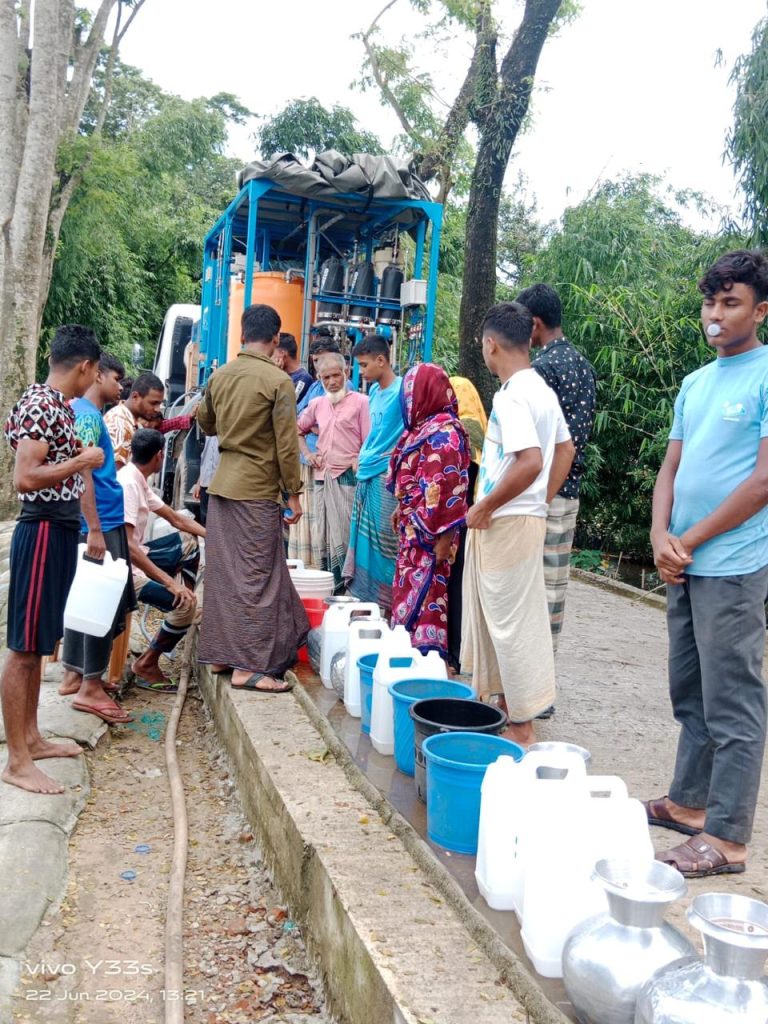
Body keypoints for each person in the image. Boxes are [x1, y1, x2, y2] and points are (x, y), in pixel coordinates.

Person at [647, 249, 768, 878]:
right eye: (710, 302)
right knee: (689, 692)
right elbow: (672, 466)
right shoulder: (696, 383)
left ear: (761, 310)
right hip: (684, 561)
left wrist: (687, 539)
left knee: (734, 701)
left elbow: (761, 482)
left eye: (732, 303)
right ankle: (689, 804)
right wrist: (659, 532)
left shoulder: (766, 373)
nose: (716, 315)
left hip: (732, 565)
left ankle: (726, 839)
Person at [460, 303, 574, 747]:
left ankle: (522, 726)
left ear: (491, 345)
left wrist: (488, 505)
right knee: (506, 618)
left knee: (510, 623)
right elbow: (562, 452)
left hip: (506, 521)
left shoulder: (510, 396)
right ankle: (506, 711)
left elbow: (530, 461)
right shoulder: (541, 389)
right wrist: (539, 501)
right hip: (522, 515)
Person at [1, 325, 104, 794]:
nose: (95, 379)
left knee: (40, 644)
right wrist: (81, 462)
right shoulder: (42, 405)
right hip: (41, 528)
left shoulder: (56, 407)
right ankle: (17, 761)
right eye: (95, 371)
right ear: (84, 367)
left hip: (58, 530)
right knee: (24, 650)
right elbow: (26, 477)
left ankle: (32, 739)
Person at [197, 303, 309, 692]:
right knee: (258, 579)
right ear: (275, 338)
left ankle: (221, 657)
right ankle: (248, 667)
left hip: (222, 487)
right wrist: (293, 494)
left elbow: (205, 422)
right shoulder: (277, 381)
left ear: (243, 333)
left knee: (226, 575)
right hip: (257, 490)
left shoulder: (221, 375)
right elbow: (286, 446)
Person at [517, 283, 597, 654]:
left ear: (534, 324)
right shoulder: (583, 364)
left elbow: (537, 443)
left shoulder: (543, 369)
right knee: (553, 588)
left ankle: (530, 685)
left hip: (542, 489)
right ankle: (544, 681)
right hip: (570, 490)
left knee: (529, 587)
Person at [59, 352, 137, 723]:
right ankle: (91, 686)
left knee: (85, 594)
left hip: (98, 517)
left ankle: (75, 673)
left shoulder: (79, 412)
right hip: (101, 518)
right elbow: (85, 475)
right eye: (116, 379)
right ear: (96, 375)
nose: (120, 386)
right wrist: (93, 528)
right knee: (103, 603)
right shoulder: (89, 417)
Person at [387, 364, 470, 657]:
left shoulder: (445, 435)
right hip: (413, 533)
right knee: (408, 594)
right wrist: (402, 507)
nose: (407, 403)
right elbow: (415, 478)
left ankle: (430, 661)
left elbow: (448, 491)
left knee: (430, 598)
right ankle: (408, 655)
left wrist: (444, 540)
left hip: (432, 537)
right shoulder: (422, 430)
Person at [118, 429, 205, 692]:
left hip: (137, 555)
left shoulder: (137, 477)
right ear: (159, 456)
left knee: (188, 542)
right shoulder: (129, 485)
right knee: (185, 605)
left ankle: (184, 606)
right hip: (123, 570)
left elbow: (177, 519)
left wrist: (215, 537)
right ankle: (147, 663)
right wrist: (170, 583)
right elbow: (128, 548)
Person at [298, 353, 370, 588]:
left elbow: (368, 440)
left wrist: (359, 458)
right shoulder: (317, 404)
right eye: (325, 377)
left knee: (346, 533)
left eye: (336, 375)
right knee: (324, 534)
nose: (331, 381)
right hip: (322, 477)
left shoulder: (361, 402)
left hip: (348, 477)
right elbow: (297, 429)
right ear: (319, 379)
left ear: (346, 373)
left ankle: (348, 587)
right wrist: (308, 455)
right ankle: (329, 586)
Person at [342, 334, 403, 616]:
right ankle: (367, 599)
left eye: (365, 366)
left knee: (386, 545)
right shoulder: (376, 394)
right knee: (367, 543)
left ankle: (388, 604)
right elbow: (373, 435)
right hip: (367, 472)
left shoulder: (404, 392)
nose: (361, 372)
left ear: (382, 360)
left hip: (387, 478)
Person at [288, 337, 342, 567]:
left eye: (328, 364)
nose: (323, 369)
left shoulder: (351, 396)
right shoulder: (314, 388)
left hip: (331, 466)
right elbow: (299, 420)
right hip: (308, 459)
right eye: (319, 363)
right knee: (307, 517)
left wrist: (316, 425)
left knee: (323, 522)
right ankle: (304, 567)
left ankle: (322, 568)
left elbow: (335, 426)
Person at [446, 377, 487, 672]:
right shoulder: (480, 430)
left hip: (459, 519)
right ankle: (461, 652)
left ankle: (455, 651)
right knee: (462, 585)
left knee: (455, 584)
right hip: (471, 519)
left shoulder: (461, 429)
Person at [105, 371, 165, 468]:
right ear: (135, 397)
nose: (157, 409)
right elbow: (117, 475)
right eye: (153, 403)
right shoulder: (119, 422)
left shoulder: (131, 422)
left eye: (159, 404)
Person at [276, 333, 313, 406]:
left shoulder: (303, 378)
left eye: (272, 353)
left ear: (282, 354)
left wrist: (276, 374)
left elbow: (285, 405)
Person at [191, 434, 220, 525]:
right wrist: (199, 482)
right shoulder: (209, 430)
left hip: (221, 485)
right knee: (206, 521)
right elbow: (206, 457)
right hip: (205, 483)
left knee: (219, 524)